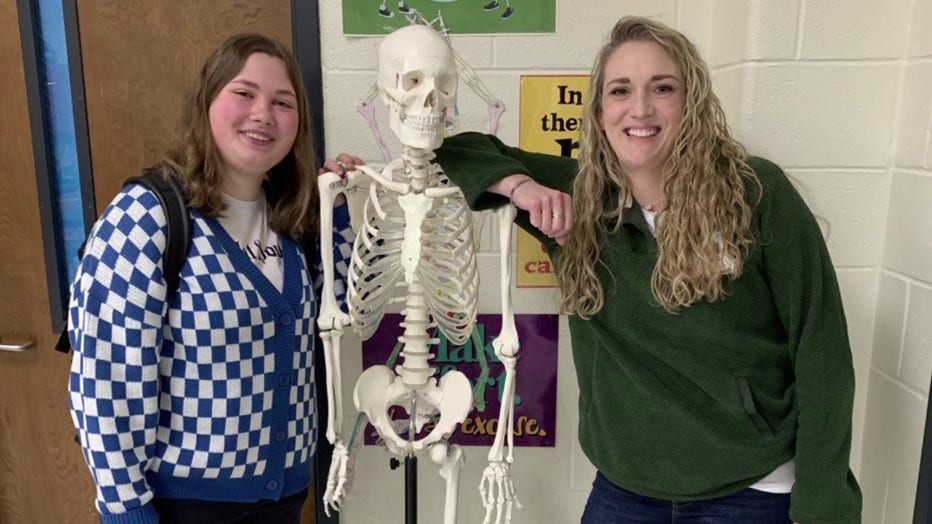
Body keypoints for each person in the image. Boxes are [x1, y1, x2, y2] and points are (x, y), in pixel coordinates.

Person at [331, 15, 861, 524]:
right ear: (600, 110)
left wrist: (823, 508)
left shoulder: (754, 193)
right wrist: (520, 186)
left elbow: (822, 353)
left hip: (750, 487)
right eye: (621, 90)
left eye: (663, 87)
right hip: (627, 488)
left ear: (691, 100)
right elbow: (452, 150)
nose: (641, 108)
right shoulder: (578, 197)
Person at [67, 33, 353, 524]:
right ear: (207, 103)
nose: (263, 114)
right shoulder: (147, 216)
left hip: (285, 495)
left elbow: (342, 309)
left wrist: (339, 216)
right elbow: (103, 380)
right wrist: (125, 508)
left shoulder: (292, 219)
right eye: (244, 94)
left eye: (282, 102)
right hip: (185, 505)